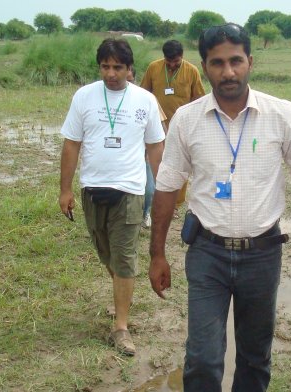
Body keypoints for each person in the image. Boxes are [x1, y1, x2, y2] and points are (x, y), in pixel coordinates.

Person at [147, 23, 291, 392]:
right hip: (207, 253)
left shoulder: (281, 114)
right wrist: (157, 255)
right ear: (203, 67)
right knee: (202, 357)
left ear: (251, 61)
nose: (228, 72)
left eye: (236, 61)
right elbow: (167, 189)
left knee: (254, 357)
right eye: (217, 63)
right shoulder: (187, 119)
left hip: (262, 255)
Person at [59, 38, 165, 356]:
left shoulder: (144, 101)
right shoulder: (84, 97)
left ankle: (121, 327)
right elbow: (71, 144)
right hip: (92, 190)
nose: (111, 73)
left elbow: (156, 147)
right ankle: (122, 294)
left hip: (130, 192)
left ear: (130, 69)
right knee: (107, 255)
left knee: (124, 257)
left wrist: (162, 189)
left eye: (118, 67)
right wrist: (65, 189)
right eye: (105, 66)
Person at [140, 40, 206, 214]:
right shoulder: (153, 68)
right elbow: (143, 93)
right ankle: (153, 200)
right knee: (155, 162)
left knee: (180, 164)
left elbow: (199, 100)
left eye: (176, 61)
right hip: (156, 126)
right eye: (168, 61)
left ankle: (175, 204)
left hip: (182, 127)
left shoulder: (191, 71)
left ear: (181, 57)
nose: (171, 65)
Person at [128, 68, 168, 229]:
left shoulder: (146, 99)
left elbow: (162, 126)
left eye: (130, 80)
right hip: (127, 157)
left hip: (146, 156)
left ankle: (145, 214)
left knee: (149, 190)